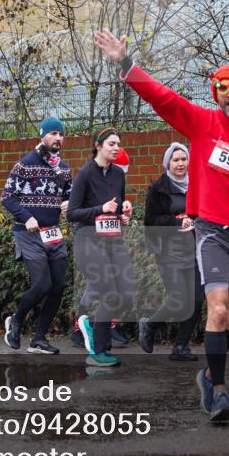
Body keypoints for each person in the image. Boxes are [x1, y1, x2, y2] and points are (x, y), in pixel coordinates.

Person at [95, 28, 229, 423]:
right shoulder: (201, 123)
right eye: (223, 88)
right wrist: (126, 64)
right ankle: (217, 391)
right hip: (212, 230)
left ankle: (207, 372)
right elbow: (161, 96)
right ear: (215, 94)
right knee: (216, 311)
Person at [1, 117, 73, 355]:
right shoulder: (25, 164)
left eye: (61, 134)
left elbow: (68, 195)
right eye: (53, 133)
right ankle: (16, 320)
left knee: (58, 286)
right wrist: (27, 216)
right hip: (28, 233)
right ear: (42, 136)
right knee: (42, 284)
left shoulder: (63, 168)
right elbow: (7, 197)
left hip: (53, 233)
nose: (58, 138)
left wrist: (67, 204)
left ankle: (39, 339)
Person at [68, 128, 135, 368]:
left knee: (126, 293)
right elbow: (72, 213)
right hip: (88, 241)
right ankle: (98, 350)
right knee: (110, 293)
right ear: (98, 145)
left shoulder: (118, 174)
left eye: (118, 144)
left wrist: (123, 214)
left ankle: (89, 324)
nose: (116, 148)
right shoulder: (85, 174)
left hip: (112, 241)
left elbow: (116, 208)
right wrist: (100, 209)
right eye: (111, 144)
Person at [139, 142, 202, 361]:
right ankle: (149, 325)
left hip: (193, 250)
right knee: (178, 300)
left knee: (196, 300)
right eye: (175, 160)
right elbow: (150, 221)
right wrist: (176, 222)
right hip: (168, 252)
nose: (180, 163)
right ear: (168, 163)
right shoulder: (158, 189)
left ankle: (180, 347)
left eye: (183, 159)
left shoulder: (196, 185)